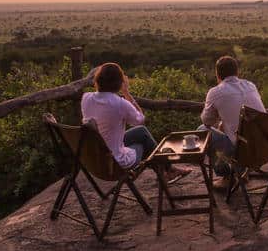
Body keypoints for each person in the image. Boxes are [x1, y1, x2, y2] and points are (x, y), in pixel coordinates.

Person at [53, 62, 187, 181]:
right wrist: (127, 93)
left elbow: (101, 103)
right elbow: (140, 119)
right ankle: (167, 171)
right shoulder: (119, 104)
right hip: (113, 164)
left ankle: (167, 171)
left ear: (98, 80)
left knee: (141, 132)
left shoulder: (86, 98)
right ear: (119, 82)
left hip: (95, 157)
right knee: (145, 142)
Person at [199, 55, 266, 186]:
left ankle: (227, 176)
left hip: (242, 151)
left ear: (217, 74)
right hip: (264, 145)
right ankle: (242, 172)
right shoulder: (250, 85)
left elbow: (206, 121)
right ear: (237, 72)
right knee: (225, 126)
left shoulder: (215, 92)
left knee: (201, 130)